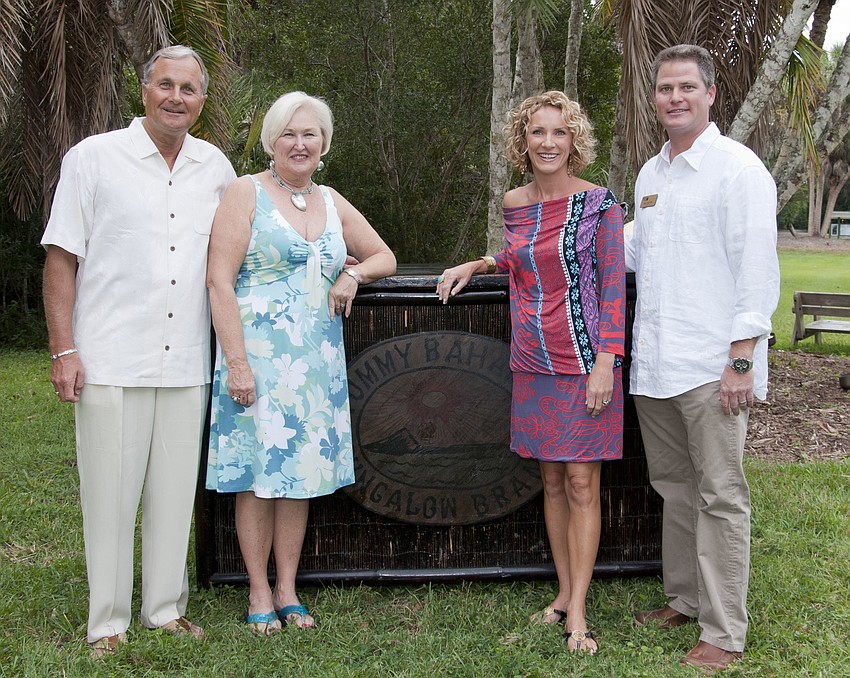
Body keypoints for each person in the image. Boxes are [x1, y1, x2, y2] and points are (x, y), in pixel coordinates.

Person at [41, 46, 236, 656]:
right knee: (110, 494)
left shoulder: (216, 168)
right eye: (165, 85)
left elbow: (231, 261)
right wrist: (62, 348)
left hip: (185, 361)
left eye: (189, 89)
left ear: (202, 101)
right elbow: (61, 258)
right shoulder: (94, 158)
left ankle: (165, 608)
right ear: (144, 89)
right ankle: (107, 622)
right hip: (109, 358)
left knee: (175, 496)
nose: (176, 98)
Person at [437, 91, 626, 654]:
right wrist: (481, 262)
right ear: (524, 140)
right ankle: (564, 593)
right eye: (537, 132)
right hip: (533, 357)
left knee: (580, 482)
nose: (548, 143)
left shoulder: (600, 204)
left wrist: (605, 363)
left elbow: (613, 286)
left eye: (559, 133)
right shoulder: (515, 201)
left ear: (575, 142)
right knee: (549, 480)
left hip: (586, 360)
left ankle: (580, 614)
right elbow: (522, 256)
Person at [205, 91, 396, 636]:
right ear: (270, 140)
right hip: (259, 363)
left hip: (315, 365)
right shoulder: (246, 193)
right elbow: (219, 280)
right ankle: (258, 590)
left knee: (298, 479)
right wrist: (237, 363)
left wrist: (353, 274)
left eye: (309, 133)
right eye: (288, 132)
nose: (299, 142)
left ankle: (288, 588)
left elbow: (384, 254)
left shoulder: (332, 200)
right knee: (258, 479)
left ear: (324, 143)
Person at [626, 44, 780, 672]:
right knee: (675, 489)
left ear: (711, 93)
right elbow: (632, 252)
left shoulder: (738, 170)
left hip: (713, 367)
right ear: (655, 96)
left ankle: (724, 632)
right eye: (665, 88)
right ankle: (686, 599)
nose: (675, 98)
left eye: (687, 87)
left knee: (721, 495)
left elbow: (756, 269)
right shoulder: (650, 175)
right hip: (656, 365)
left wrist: (742, 356)